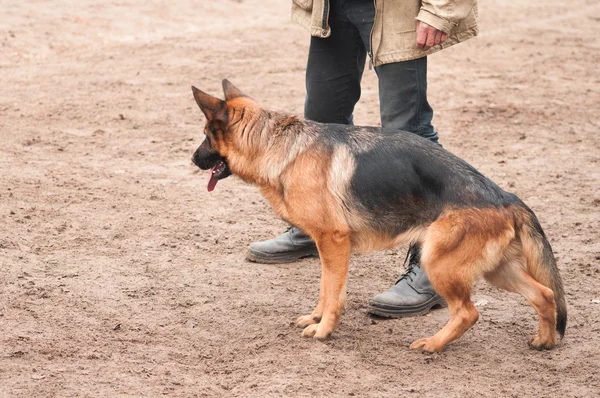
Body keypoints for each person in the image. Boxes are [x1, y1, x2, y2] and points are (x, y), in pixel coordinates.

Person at [247, 0, 479, 318]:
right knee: (321, 118)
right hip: (334, 6)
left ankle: (431, 266)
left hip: (397, 10)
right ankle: (313, 225)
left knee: (408, 132)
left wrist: (441, 10)